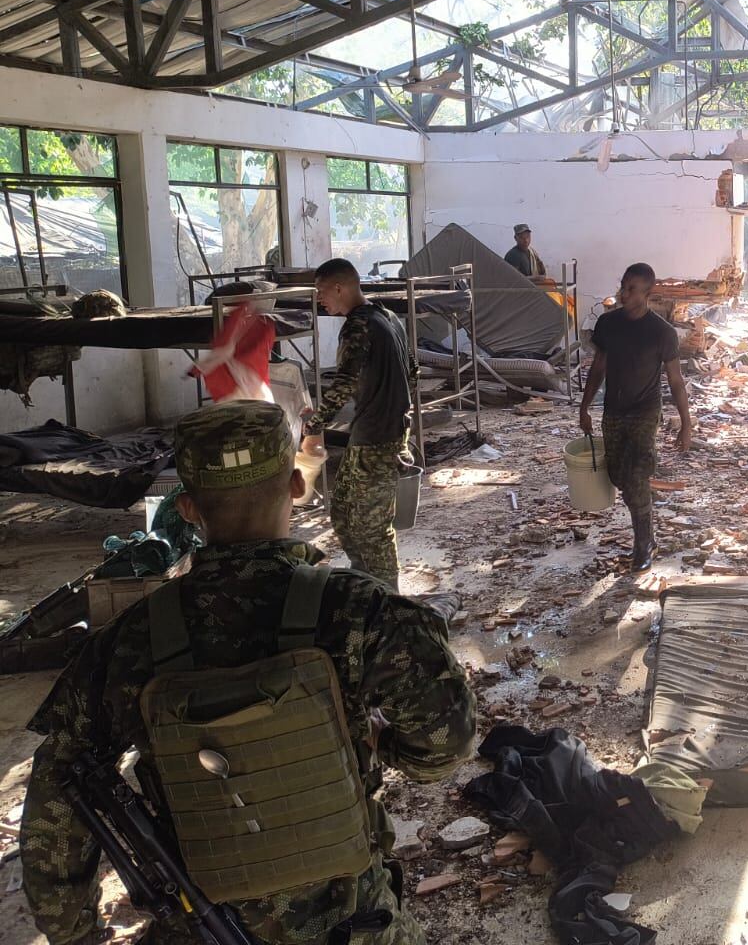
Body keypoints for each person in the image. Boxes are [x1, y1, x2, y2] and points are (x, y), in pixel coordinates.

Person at [20, 400, 475, 945]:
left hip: (203, 926)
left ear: (187, 508)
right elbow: (445, 746)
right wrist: (382, 743)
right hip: (355, 923)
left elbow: (56, 798)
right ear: (296, 486)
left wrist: (76, 933)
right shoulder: (363, 611)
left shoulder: (125, 641)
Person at [303, 258, 412, 589]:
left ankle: (388, 598)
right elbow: (413, 371)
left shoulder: (358, 325)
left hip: (378, 439)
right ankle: (365, 583)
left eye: (322, 292)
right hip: (376, 432)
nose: (320, 300)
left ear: (339, 288)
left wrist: (314, 426)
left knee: (373, 528)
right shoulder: (389, 317)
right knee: (343, 513)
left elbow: (345, 383)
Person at [579, 263, 693, 571]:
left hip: (645, 410)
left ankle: (644, 544)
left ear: (647, 293)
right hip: (614, 409)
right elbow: (598, 367)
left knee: (636, 476)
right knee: (618, 475)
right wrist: (584, 407)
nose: (624, 294)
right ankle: (645, 521)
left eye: (631, 289)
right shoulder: (608, 324)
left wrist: (686, 423)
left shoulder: (662, 332)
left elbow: (676, 380)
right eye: (623, 286)